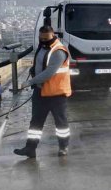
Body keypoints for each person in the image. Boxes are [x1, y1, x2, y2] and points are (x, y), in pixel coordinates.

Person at [14, 26, 72, 158]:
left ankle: (63, 147)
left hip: (57, 94)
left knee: (60, 123)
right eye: (41, 38)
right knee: (35, 122)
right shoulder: (42, 47)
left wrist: (29, 82)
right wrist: (33, 70)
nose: (43, 40)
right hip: (40, 92)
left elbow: (49, 73)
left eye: (46, 38)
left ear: (53, 35)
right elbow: (40, 65)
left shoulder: (59, 51)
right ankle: (30, 148)